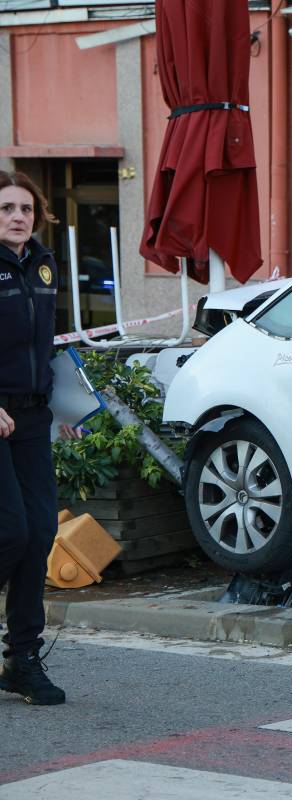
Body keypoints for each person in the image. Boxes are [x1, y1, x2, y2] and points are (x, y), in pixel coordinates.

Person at [0, 170, 75, 705]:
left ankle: (22, 660)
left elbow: (45, 343)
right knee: (11, 532)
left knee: (40, 534)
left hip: (32, 418)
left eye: (26, 208)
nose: (18, 217)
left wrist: (70, 403)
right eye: (6, 208)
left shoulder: (44, 264)